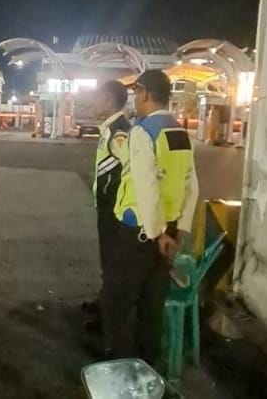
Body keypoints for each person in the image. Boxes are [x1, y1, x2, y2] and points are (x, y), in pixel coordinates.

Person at [102, 69, 198, 366]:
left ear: (143, 92)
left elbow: (146, 185)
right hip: (168, 233)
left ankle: (120, 367)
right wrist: (178, 230)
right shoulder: (179, 132)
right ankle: (149, 366)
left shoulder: (142, 132)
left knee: (118, 302)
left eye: (136, 93)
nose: (134, 99)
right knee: (152, 306)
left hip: (139, 232)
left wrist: (157, 233)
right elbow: (191, 186)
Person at [83, 81, 131, 334]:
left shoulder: (119, 132)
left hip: (114, 210)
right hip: (108, 206)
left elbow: (132, 167)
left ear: (109, 100)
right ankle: (104, 303)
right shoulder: (111, 129)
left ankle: (108, 321)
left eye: (98, 98)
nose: (94, 102)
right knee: (108, 260)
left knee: (112, 263)